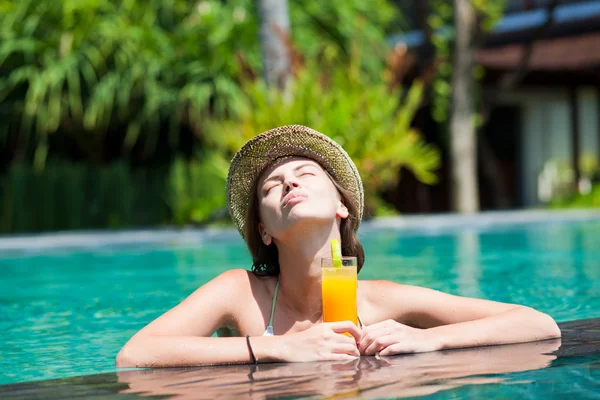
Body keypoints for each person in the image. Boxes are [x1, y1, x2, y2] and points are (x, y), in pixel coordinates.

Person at [115, 125, 561, 367]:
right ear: (264, 231)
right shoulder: (241, 293)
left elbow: (538, 325)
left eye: (306, 175)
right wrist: (276, 348)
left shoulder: (380, 300)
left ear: (341, 208)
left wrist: (428, 341)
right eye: (272, 186)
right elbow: (135, 356)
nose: (289, 181)